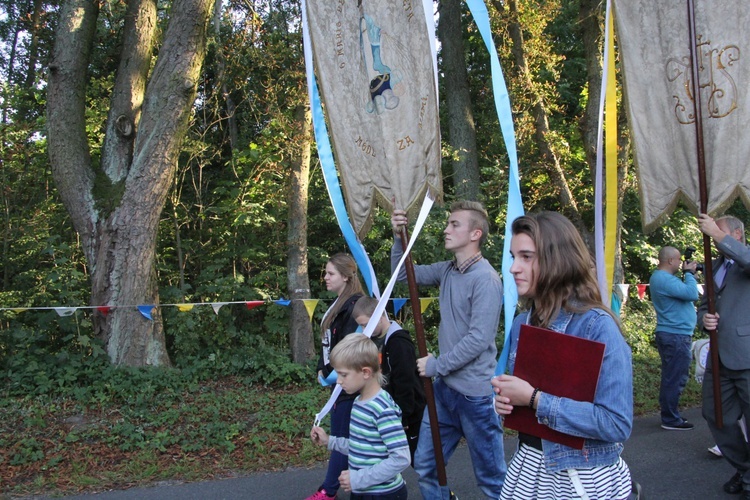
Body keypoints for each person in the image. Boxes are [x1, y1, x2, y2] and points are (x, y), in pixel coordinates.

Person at [492, 211, 633, 499]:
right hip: (528, 466)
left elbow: (616, 423)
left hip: (582, 473)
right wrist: (508, 402)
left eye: (526, 257)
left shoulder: (596, 325)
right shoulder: (523, 323)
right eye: (513, 256)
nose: (513, 268)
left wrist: (534, 399)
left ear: (558, 260)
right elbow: (525, 401)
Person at [390, 200, 506, 499]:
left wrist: (437, 366)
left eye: (455, 224)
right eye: (448, 223)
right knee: (426, 465)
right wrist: (398, 237)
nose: (446, 229)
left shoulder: (486, 279)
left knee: (492, 480)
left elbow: (479, 339)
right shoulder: (448, 270)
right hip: (443, 392)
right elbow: (404, 276)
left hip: (476, 397)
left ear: (475, 234)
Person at [311, 333, 411, 500]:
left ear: (365, 372)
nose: (338, 381)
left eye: (343, 375)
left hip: (383, 495)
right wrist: (329, 441)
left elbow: (401, 458)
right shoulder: (358, 402)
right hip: (362, 490)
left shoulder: (382, 409)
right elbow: (362, 445)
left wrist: (359, 478)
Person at [697, 213, 750, 499]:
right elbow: (705, 304)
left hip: (747, 355)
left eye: (716, 232)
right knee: (716, 415)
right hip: (719, 358)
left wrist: (718, 236)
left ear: (736, 234)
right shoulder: (714, 266)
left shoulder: (745, 257)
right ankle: (744, 468)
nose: (710, 236)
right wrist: (703, 318)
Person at [308, 253, 365, 500]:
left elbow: (349, 349)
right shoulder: (339, 304)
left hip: (349, 385)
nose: (325, 278)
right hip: (338, 381)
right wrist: (322, 368)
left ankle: (328, 491)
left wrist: (330, 372)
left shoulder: (355, 307)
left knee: (342, 439)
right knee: (346, 438)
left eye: (330, 273)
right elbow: (329, 344)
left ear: (345, 276)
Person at [352, 296, 426, 464]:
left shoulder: (398, 343)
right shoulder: (372, 339)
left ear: (379, 316)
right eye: (362, 326)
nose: (365, 329)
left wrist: (404, 416)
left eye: (366, 324)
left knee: (419, 462)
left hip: (409, 414)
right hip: (387, 411)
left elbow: (405, 381)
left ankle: (441, 490)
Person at [649, 246, 699, 430]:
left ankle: (671, 415)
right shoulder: (662, 278)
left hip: (674, 334)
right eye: (678, 260)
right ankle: (670, 419)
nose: (680, 264)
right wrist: (689, 274)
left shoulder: (663, 279)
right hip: (675, 334)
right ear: (670, 260)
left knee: (673, 376)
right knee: (674, 377)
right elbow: (692, 293)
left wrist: (687, 275)